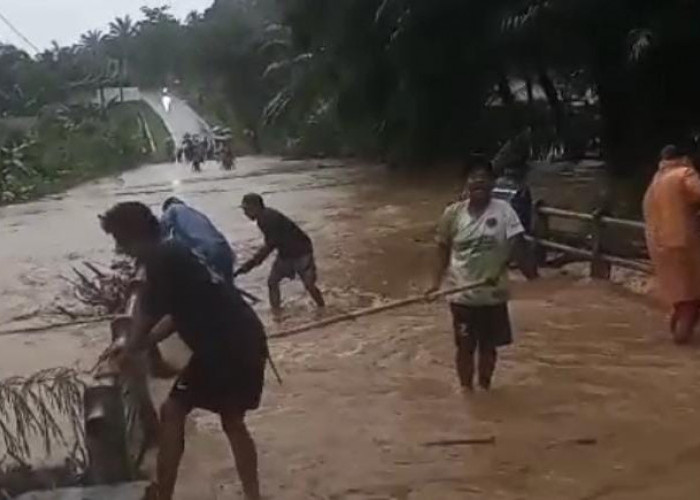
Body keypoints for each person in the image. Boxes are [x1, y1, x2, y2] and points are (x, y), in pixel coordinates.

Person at [100, 202, 267, 500]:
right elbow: (177, 315)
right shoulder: (173, 250)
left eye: (118, 239)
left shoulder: (159, 259)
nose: (119, 248)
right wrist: (142, 344)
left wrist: (126, 351)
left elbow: (147, 318)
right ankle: (253, 496)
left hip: (224, 347)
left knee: (173, 410)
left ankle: (165, 495)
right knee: (232, 421)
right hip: (244, 338)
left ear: (132, 234)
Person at [428, 159, 537, 391]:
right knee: (465, 348)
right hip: (461, 297)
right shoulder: (453, 214)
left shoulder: (504, 211)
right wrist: (434, 284)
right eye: (473, 176)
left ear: (493, 183)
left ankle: (485, 389)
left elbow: (518, 244)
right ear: (466, 184)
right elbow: (442, 249)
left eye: (484, 176)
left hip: (493, 295)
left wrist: (534, 278)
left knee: (489, 348)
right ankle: (467, 391)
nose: (479, 180)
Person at [643, 144, 700, 345]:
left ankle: (676, 339)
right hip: (683, 243)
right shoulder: (684, 174)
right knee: (691, 298)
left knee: (680, 297)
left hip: (658, 245)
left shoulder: (656, 181)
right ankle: (682, 343)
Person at [235, 193, 325, 319]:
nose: (245, 213)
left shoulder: (267, 218)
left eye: (246, 209)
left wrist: (250, 264)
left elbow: (270, 245)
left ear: (255, 207)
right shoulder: (264, 217)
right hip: (286, 253)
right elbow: (271, 244)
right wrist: (252, 263)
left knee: (308, 284)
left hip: (301, 251)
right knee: (273, 282)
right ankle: (277, 313)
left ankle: (322, 308)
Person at [161, 197, 236, 285]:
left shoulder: (172, 209)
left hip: (207, 251)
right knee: (228, 290)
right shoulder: (197, 215)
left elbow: (160, 234)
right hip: (225, 250)